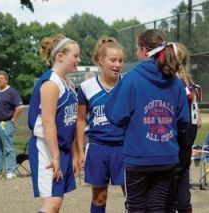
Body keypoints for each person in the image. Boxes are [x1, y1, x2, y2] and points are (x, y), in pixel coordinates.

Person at [105, 29, 190, 212]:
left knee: (136, 207)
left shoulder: (132, 79)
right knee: (158, 206)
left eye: (137, 48)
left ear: (144, 49)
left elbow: (115, 115)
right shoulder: (175, 82)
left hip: (138, 158)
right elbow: (184, 120)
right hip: (167, 156)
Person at [28, 33, 80, 213]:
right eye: (75, 56)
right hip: (47, 148)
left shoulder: (69, 84)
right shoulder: (50, 83)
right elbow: (48, 122)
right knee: (51, 204)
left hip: (61, 149)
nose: (78, 59)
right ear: (60, 56)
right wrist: (55, 156)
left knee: (56, 203)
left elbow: (71, 123)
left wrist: (73, 155)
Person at [76, 36, 125, 213]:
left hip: (124, 147)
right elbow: (81, 120)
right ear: (100, 60)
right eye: (113, 60)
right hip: (98, 148)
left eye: (120, 61)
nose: (117, 64)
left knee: (132, 197)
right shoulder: (86, 87)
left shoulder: (127, 83)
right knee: (99, 198)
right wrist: (80, 152)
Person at [173, 43, 202, 213]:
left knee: (172, 189)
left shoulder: (177, 84)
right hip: (186, 141)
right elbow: (198, 121)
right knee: (182, 185)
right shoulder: (190, 84)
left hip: (178, 140)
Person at [0, 70, 24, 179]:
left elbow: (20, 107)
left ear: (6, 80)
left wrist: (12, 120)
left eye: (1, 78)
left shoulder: (12, 92)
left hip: (6, 123)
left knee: (8, 148)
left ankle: (11, 171)